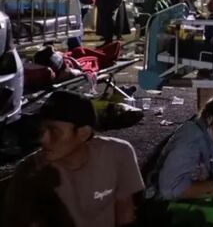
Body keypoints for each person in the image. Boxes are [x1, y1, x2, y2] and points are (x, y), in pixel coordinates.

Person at [2, 91, 144, 227]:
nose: (43, 139)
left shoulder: (118, 153)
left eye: (54, 131)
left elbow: (125, 210)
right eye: (42, 130)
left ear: (83, 133)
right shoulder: (30, 171)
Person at [152, 91, 213, 226]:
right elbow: (168, 188)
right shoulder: (190, 140)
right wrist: (209, 187)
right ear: (210, 118)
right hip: (167, 211)